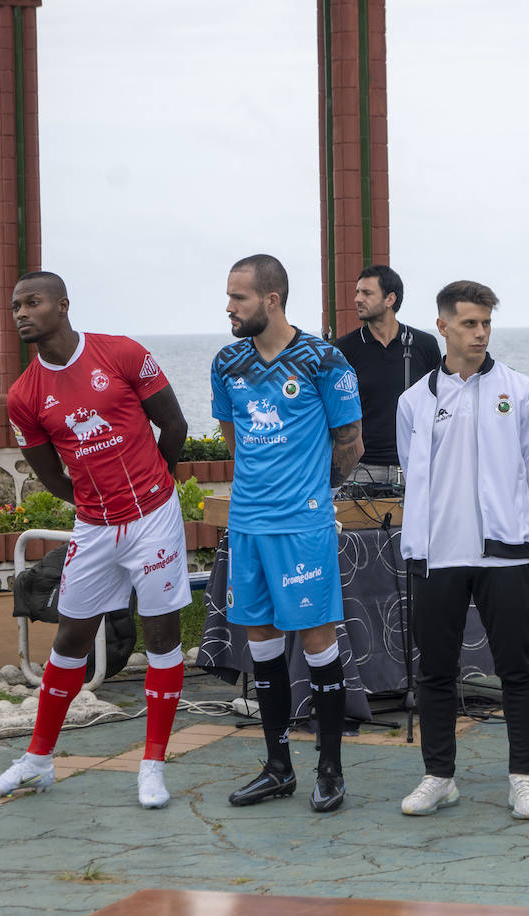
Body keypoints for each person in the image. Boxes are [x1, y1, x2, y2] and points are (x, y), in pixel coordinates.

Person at [0, 270, 191, 809]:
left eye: (33, 302)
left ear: (63, 305)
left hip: (154, 518)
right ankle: (37, 761)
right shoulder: (25, 394)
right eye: (15, 306)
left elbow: (174, 423)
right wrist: (95, 507)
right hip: (95, 527)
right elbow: (50, 473)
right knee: (72, 638)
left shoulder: (120, 353)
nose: (22, 312)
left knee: (162, 634)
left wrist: (155, 489)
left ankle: (152, 765)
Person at [211, 254, 364, 812]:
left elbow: (350, 442)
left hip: (303, 528)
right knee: (261, 644)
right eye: (229, 297)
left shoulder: (324, 360)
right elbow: (234, 438)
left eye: (240, 297)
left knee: (318, 643)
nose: (229, 307)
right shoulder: (227, 362)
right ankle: (279, 768)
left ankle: (330, 770)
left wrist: (310, 494)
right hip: (248, 525)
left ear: (272, 300)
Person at [395, 280, 529, 819]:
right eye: (469, 323)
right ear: (442, 326)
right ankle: (439, 776)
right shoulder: (414, 400)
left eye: (486, 323)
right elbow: (412, 473)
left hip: (502, 554)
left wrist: (508, 517)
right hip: (437, 556)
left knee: (519, 669)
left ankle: (524, 778)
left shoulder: (520, 390)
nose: (480, 333)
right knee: (435, 672)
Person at [334, 264, 441, 486]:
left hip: (415, 467)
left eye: (366, 293)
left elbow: (440, 404)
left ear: (390, 299)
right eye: (357, 292)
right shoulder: (344, 349)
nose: (357, 299)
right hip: (360, 472)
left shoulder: (425, 345)